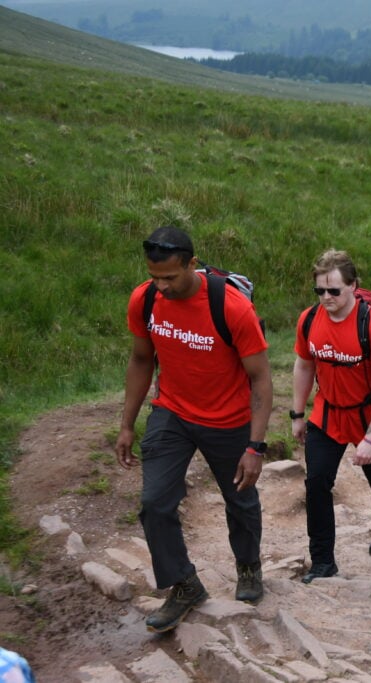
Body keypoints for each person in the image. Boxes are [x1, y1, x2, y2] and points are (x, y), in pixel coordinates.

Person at [116, 226, 271, 633]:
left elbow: (260, 379)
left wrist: (255, 446)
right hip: (173, 413)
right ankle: (184, 585)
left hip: (228, 419)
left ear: (191, 263)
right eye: (155, 277)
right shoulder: (146, 299)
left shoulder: (231, 307)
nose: (162, 286)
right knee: (154, 502)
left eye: (170, 277)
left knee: (240, 499)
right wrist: (126, 425)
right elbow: (140, 359)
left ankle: (249, 566)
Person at [291, 250, 371, 584]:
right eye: (320, 291)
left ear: (353, 287)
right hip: (327, 413)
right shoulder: (310, 320)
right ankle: (323, 560)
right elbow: (303, 365)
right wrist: (298, 414)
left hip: (370, 414)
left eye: (334, 291)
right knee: (316, 483)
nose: (326, 298)